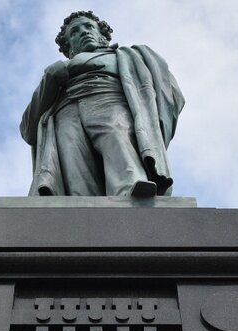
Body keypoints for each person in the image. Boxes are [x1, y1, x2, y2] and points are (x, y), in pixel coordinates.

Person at [20, 11, 184, 197]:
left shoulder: (130, 56)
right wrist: (53, 76)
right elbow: (27, 129)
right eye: (74, 32)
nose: (83, 32)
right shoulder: (57, 72)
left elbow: (170, 93)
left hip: (110, 100)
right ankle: (79, 208)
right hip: (66, 112)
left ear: (102, 34)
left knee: (116, 134)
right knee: (73, 161)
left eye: (89, 26)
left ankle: (130, 189)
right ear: (69, 45)